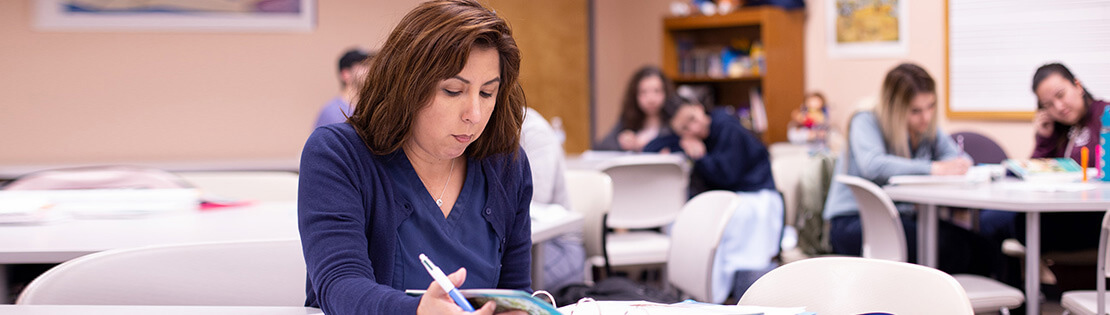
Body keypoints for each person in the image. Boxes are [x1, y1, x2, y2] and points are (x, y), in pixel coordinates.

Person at [298, 1, 532, 314]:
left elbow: (514, 295)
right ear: (406, 86)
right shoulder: (338, 155)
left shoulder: (505, 165)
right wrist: (418, 311)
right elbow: (340, 285)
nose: (474, 114)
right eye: (452, 91)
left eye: (487, 93)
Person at [822, 63, 997, 276]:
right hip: (854, 222)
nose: (926, 117)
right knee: (955, 249)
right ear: (895, 107)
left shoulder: (923, 126)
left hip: (901, 218)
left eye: (931, 106)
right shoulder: (865, 120)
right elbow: (873, 165)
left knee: (984, 247)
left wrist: (957, 165)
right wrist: (934, 168)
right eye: (915, 111)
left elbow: (958, 158)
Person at [643, 99, 781, 302]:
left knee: (728, 227)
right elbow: (652, 147)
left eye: (692, 119)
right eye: (685, 128)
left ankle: (725, 297)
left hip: (754, 196)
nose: (693, 128)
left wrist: (700, 157)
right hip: (729, 198)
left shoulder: (727, 127)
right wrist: (683, 142)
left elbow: (726, 176)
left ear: (699, 108)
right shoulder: (693, 135)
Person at [520, 107, 585, 292]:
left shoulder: (534, 132)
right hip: (522, 244)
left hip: (556, 246)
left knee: (490, 280)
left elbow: (535, 200)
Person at [595, 65, 680, 152]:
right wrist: (622, 142)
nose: (651, 99)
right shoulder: (629, 119)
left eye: (656, 91)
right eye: (644, 92)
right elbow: (602, 145)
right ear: (635, 95)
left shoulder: (675, 120)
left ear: (666, 92)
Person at [312, 48, 373, 129]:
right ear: (345, 74)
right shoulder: (332, 113)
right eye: (364, 65)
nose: (370, 70)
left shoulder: (368, 110)